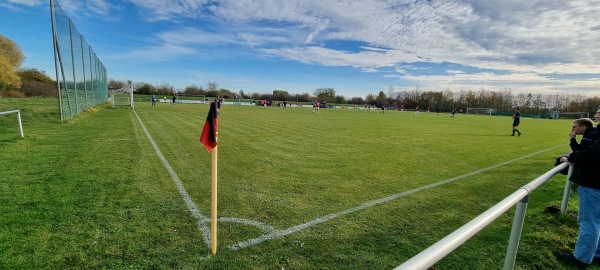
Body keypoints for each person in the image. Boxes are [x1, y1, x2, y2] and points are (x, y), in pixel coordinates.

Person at [554, 110, 600, 269]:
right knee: (596, 221)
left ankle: (581, 258)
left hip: (594, 183)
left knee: (589, 222)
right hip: (595, 182)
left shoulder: (595, 134)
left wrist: (571, 158)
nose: (596, 114)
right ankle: (596, 253)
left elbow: (592, 153)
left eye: (599, 112)